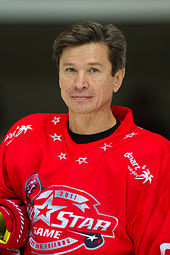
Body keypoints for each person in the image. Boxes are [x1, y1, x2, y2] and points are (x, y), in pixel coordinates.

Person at [0, 21, 169, 255]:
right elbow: (5, 209)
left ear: (117, 79)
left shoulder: (153, 154)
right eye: (70, 70)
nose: (79, 84)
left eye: (93, 70)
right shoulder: (25, 134)